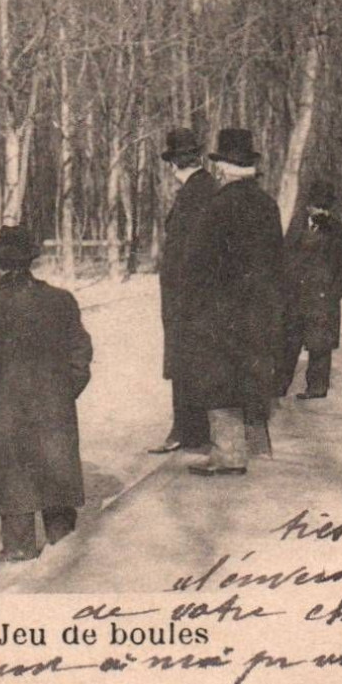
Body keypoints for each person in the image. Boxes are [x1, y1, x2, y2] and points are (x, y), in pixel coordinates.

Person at [0, 225, 94, 562]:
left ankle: (20, 547)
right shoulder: (61, 300)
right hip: (54, 409)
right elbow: (81, 354)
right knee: (56, 475)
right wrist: (65, 392)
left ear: (1, 265)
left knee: (14, 480)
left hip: (6, 414)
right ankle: (63, 542)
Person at [178, 128, 285, 478]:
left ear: (223, 168)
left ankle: (228, 454)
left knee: (219, 378)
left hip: (222, 310)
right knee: (252, 371)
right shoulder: (268, 205)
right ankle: (259, 444)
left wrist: (195, 304)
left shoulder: (218, 206)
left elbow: (196, 261)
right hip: (260, 307)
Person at [150, 127, 215, 455]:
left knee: (188, 362)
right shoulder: (203, 188)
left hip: (188, 298)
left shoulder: (196, 193)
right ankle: (190, 429)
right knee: (189, 362)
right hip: (189, 296)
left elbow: (194, 250)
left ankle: (190, 432)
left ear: (176, 164)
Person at [277, 180, 342, 400]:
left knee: (320, 345)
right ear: (308, 207)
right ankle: (279, 385)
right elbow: (284, 257)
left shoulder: (340, 231)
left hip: (322, 299)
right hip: (294, 296)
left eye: (326, 207)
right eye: (317, 206)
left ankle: (317, 388)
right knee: (288, 342)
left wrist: (333, 294)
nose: (321, 211)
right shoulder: (296, 226)